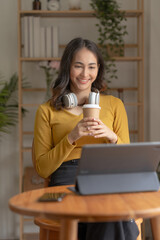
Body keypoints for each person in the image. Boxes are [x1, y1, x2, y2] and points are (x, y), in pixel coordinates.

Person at [34, 37, 139, 240]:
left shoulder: (114, 105)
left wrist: (112, 138)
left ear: (98, 69)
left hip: (106, 175)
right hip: (66, 176)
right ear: (68, 68)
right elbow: (42, 168)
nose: (85, 74)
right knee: (108, 212)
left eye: (91, 67)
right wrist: (71, 137)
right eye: (78, 66)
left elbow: (128, 162)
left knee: (107, 208)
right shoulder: (47, 110)